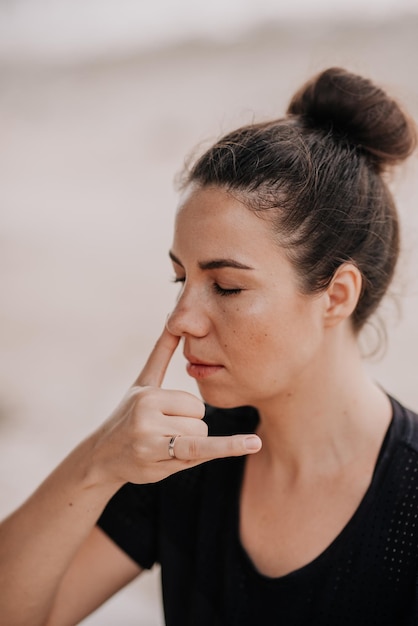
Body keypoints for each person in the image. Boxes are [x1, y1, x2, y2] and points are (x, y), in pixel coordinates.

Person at [0, 67, 417, 626]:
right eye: (182, 280)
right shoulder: (186, 457)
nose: (182, 318)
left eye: (226, 286)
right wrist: (99, 462)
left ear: (336, 295)